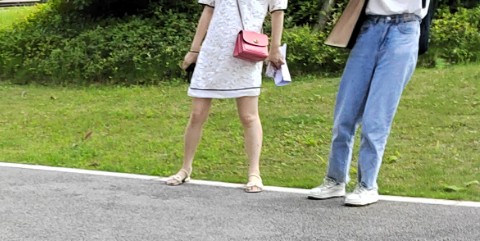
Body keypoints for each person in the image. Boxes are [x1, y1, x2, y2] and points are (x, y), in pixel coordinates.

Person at [306, 0, 430, 207]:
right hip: (370, 27)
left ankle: (367, 185)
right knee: (345, 115)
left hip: (404, 29)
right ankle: (335, 179)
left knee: (376, 118)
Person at [164, 0, 285, 193]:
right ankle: (185, 168)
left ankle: (254, 173)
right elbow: (208, 10)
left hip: (246, 50)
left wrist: (275, 49)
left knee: (248, 116)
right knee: (197, 114)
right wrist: (194, 49)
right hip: (212, 51)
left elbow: (278, 11)